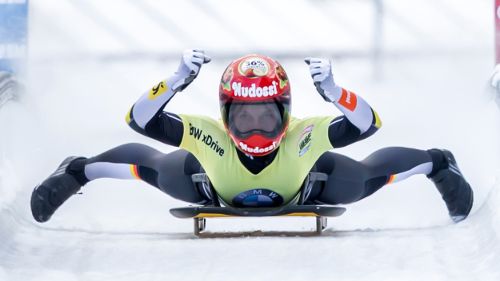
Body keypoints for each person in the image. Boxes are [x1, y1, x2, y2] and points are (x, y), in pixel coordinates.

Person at [30, 49, 473, 223]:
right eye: (244, 118)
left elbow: (367, 126)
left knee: (361, 178)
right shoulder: (207, 135)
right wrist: (174, 80)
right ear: (225, 116)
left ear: (287, 112)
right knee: (153, 167)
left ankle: (437, 161)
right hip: (211, 177)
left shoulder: (305, 133)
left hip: (302, 175)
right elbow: (139, 121)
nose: (257, 129)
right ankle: (75, 170)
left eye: (267, 116)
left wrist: (336, 94)